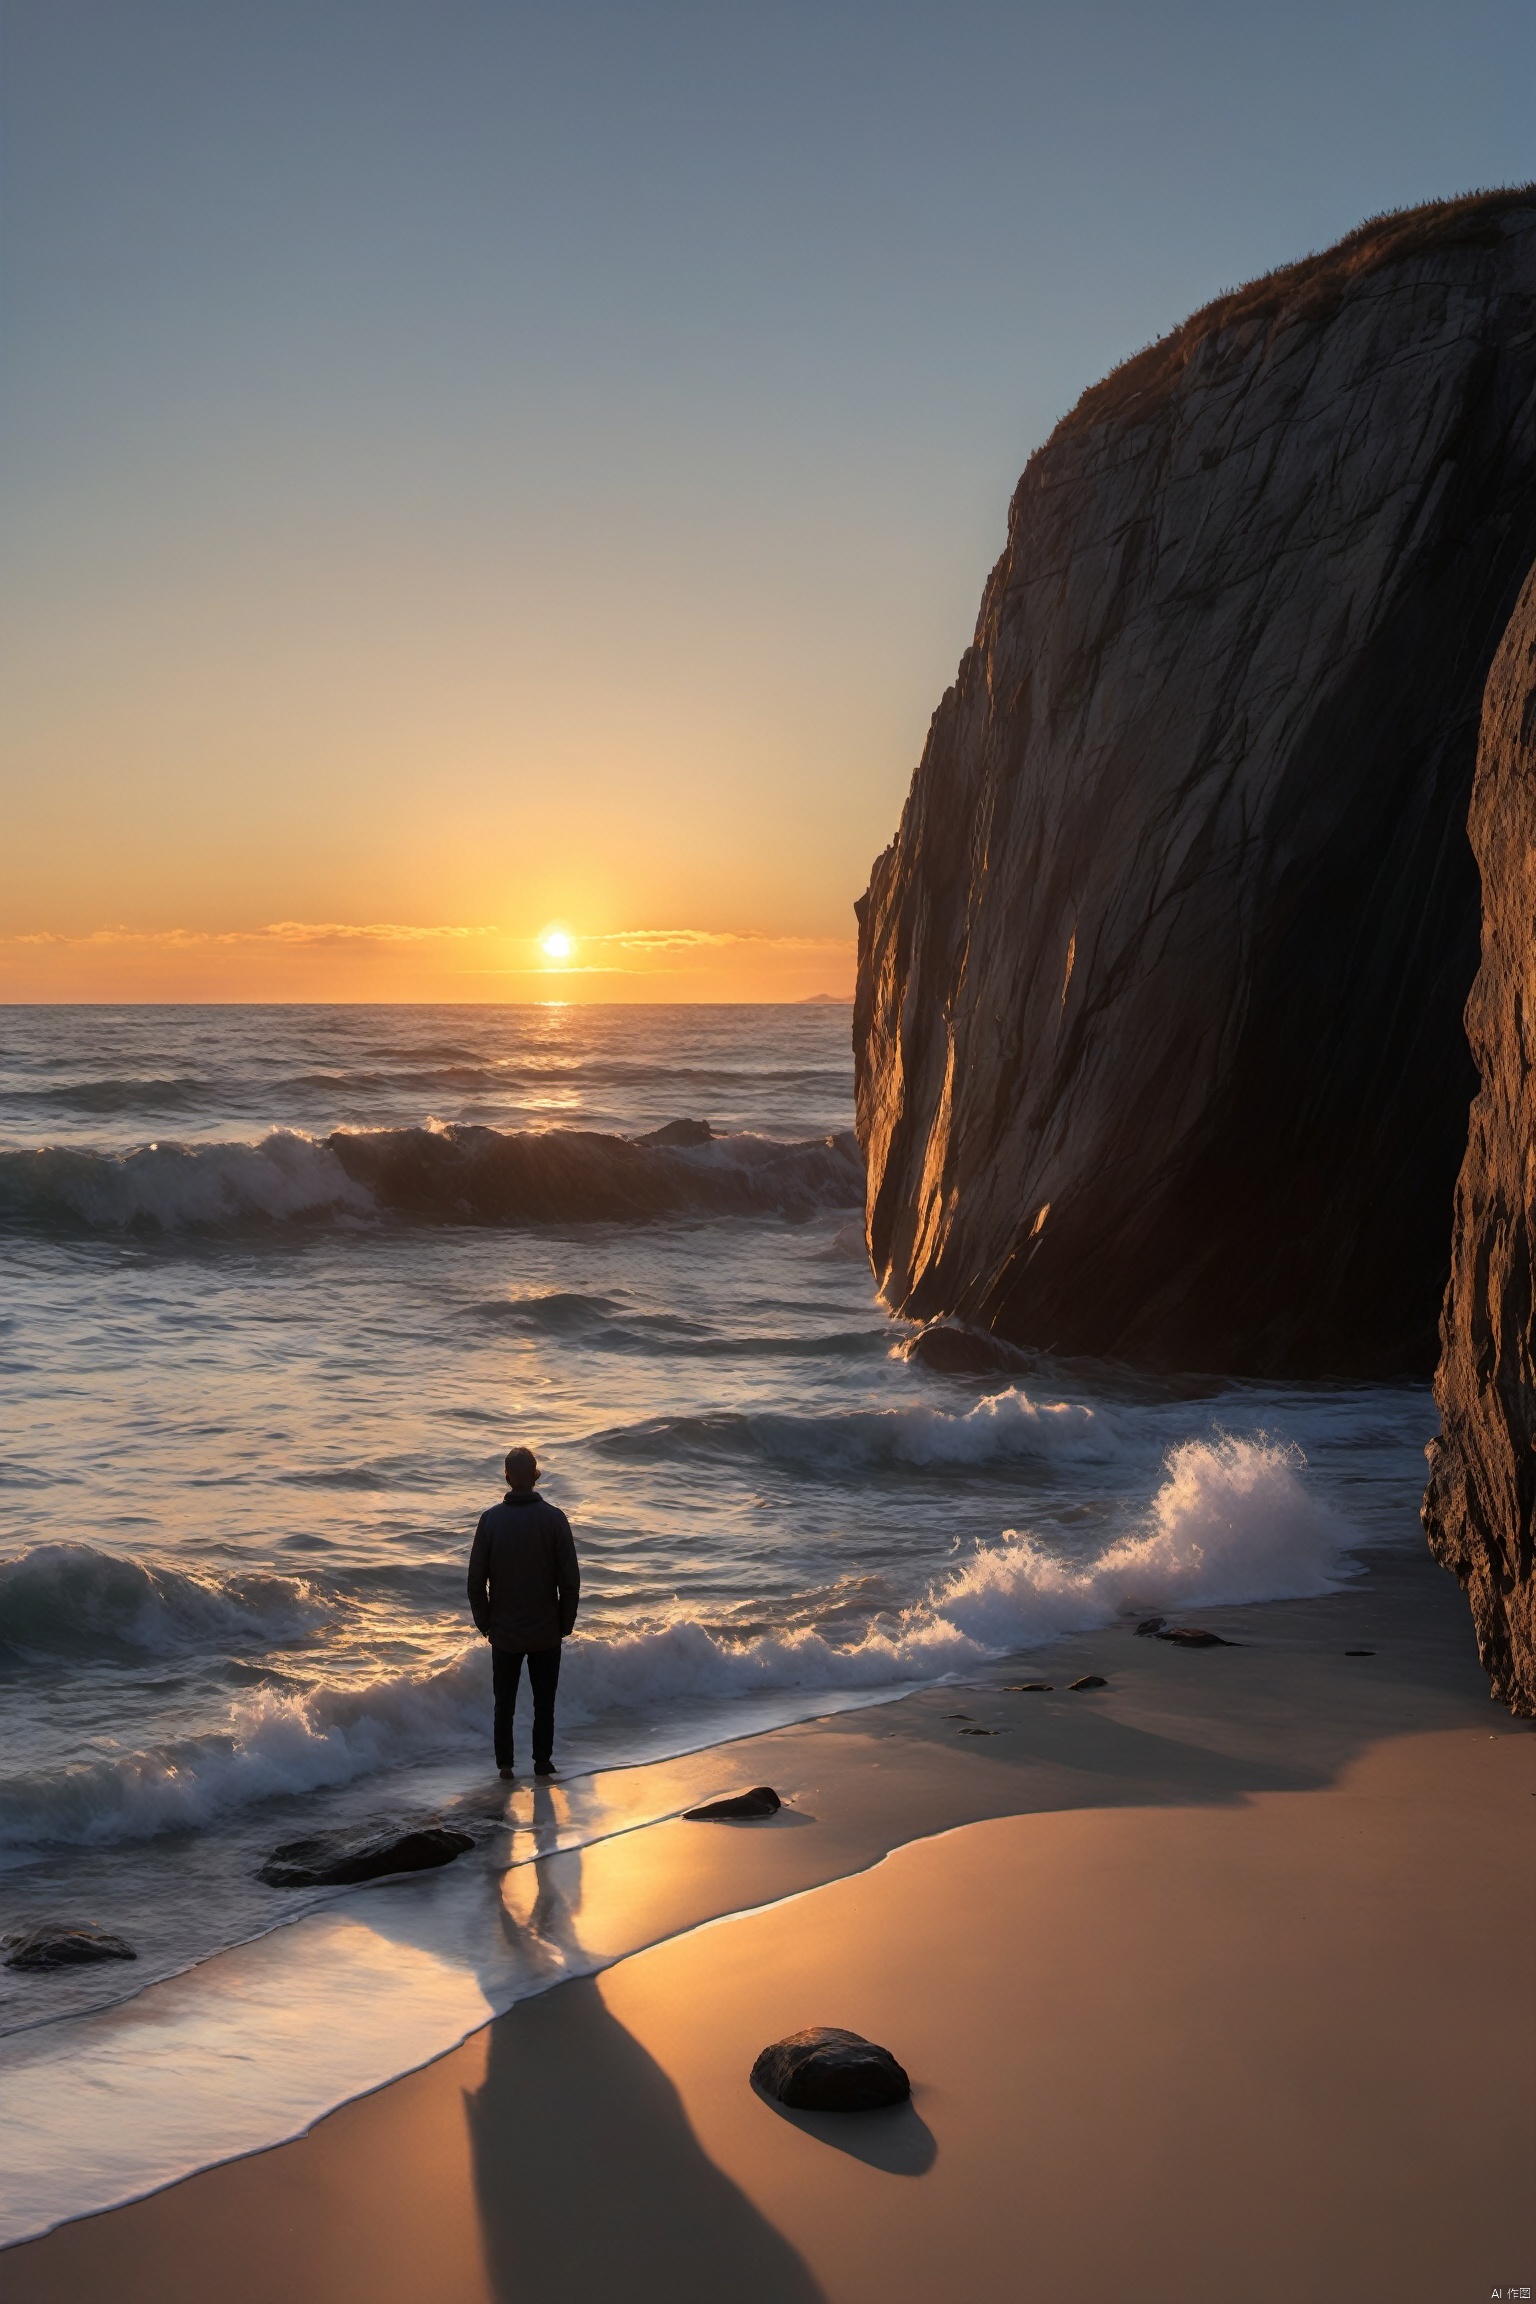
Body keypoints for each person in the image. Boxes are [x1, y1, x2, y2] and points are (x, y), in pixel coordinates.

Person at [467, 1446, 580, 1780]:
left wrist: (485, 1624)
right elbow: (570, 1580)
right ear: (535, 1475)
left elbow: (475, 1581)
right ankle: (542, 1762)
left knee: (504, 1704)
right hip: (546, 1629)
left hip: (504, 1631)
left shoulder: (490, 1521)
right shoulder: (555, 1519)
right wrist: (565, 1623)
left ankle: (505, 1766)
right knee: (543, 1703)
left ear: (506, 1476)